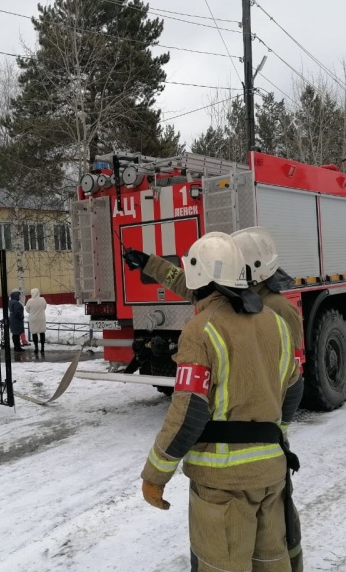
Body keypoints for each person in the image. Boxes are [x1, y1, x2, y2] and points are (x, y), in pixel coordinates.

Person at [125, 226, 305, 571]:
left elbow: (190, 409)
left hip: (224, 482)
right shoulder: (274, 320)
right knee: (272, 561)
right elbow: (293, 386)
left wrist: (155, 474)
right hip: (270, 471)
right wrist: (276, 435)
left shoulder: (203, 329)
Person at [25, 287, 48, 355]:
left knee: (34, 333)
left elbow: (27, 309)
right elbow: (45, 307)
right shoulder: (42, 299)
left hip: (33, 319)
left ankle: (36, 347)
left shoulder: (30, 301)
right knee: (42, 333)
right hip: (41, 318)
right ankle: (42, 347)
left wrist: (32, 312)